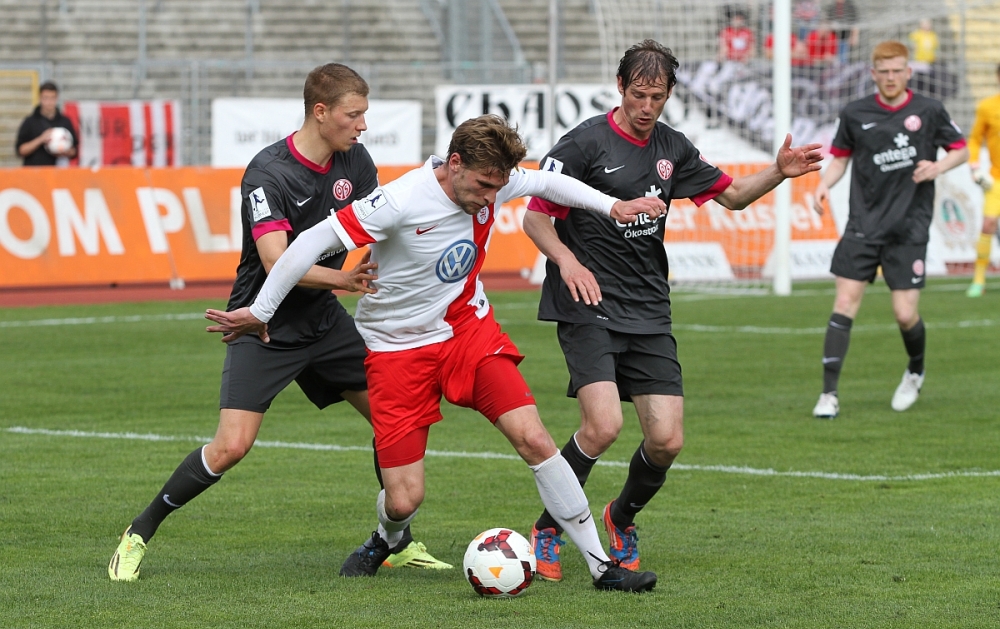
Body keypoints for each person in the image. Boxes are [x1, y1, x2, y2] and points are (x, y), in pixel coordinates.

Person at [205, 115, 670, 592]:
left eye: (499, 187)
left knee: (533, 437)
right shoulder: (400, 200)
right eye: (484, 185)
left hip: (467, 331)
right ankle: (386, 537)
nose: (491, 198)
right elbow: (308, 241)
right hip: (396, 350)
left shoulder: (494, 181)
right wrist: (261, 311)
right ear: (455, 163)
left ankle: (601, 566)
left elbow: (549, 182)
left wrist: (612, 206)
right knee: (403, 500)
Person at [108, 63, 449, 582]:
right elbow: (276, 260)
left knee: (392, 420)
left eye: (365, 115)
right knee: (231, 447)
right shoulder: (268, 173)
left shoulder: (356, 161)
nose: (362, 126)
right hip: (261, 324)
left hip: (324, 321)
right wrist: (343, 279)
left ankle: (394, 541)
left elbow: (381, 225)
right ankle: (138, 532)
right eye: (353, 115)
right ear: (320, 112)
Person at [519, 39, 823, 581]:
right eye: (638, 94)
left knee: (667, 441)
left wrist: (779, 171)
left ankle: (620, 517)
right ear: (620, 87)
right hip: (587, 302)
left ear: (669, 94)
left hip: (648, 308)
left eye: (656, 97)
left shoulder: (672, 147)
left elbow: (733, 196)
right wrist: (567, 261)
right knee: (603, 426)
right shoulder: (583, 144)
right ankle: (548, 528)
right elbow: (535, 216)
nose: (646, 107)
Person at [811, 41, 968, 419]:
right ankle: (828, 395)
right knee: (844, 304)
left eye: (898, 70)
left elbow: (961, 149)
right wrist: (823, 184)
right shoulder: (855, 113)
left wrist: (938, 167)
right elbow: (839, 160)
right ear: (874, 74)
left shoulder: (929, 110)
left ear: (908, 72)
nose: (891, 77)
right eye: (884, 72)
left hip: (908, 227)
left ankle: (915, 370)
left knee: (904, 314)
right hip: (863, 225)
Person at [965, 63, 1000, 298]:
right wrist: (975, 167)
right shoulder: (987, 106)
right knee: (988, 224)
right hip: (996, 179)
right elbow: (975, 139)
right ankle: (979, 280)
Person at [15, 81, 78, 166]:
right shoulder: (30, 122)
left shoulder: (65, 121)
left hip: (58, 171)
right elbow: (20, 151)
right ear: (40, 98)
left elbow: (74, 151)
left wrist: (64, 149)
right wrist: (41, 139)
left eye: (52, 98)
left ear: (57, 98)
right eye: (46, 98)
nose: (49, 102)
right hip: (35, 171)